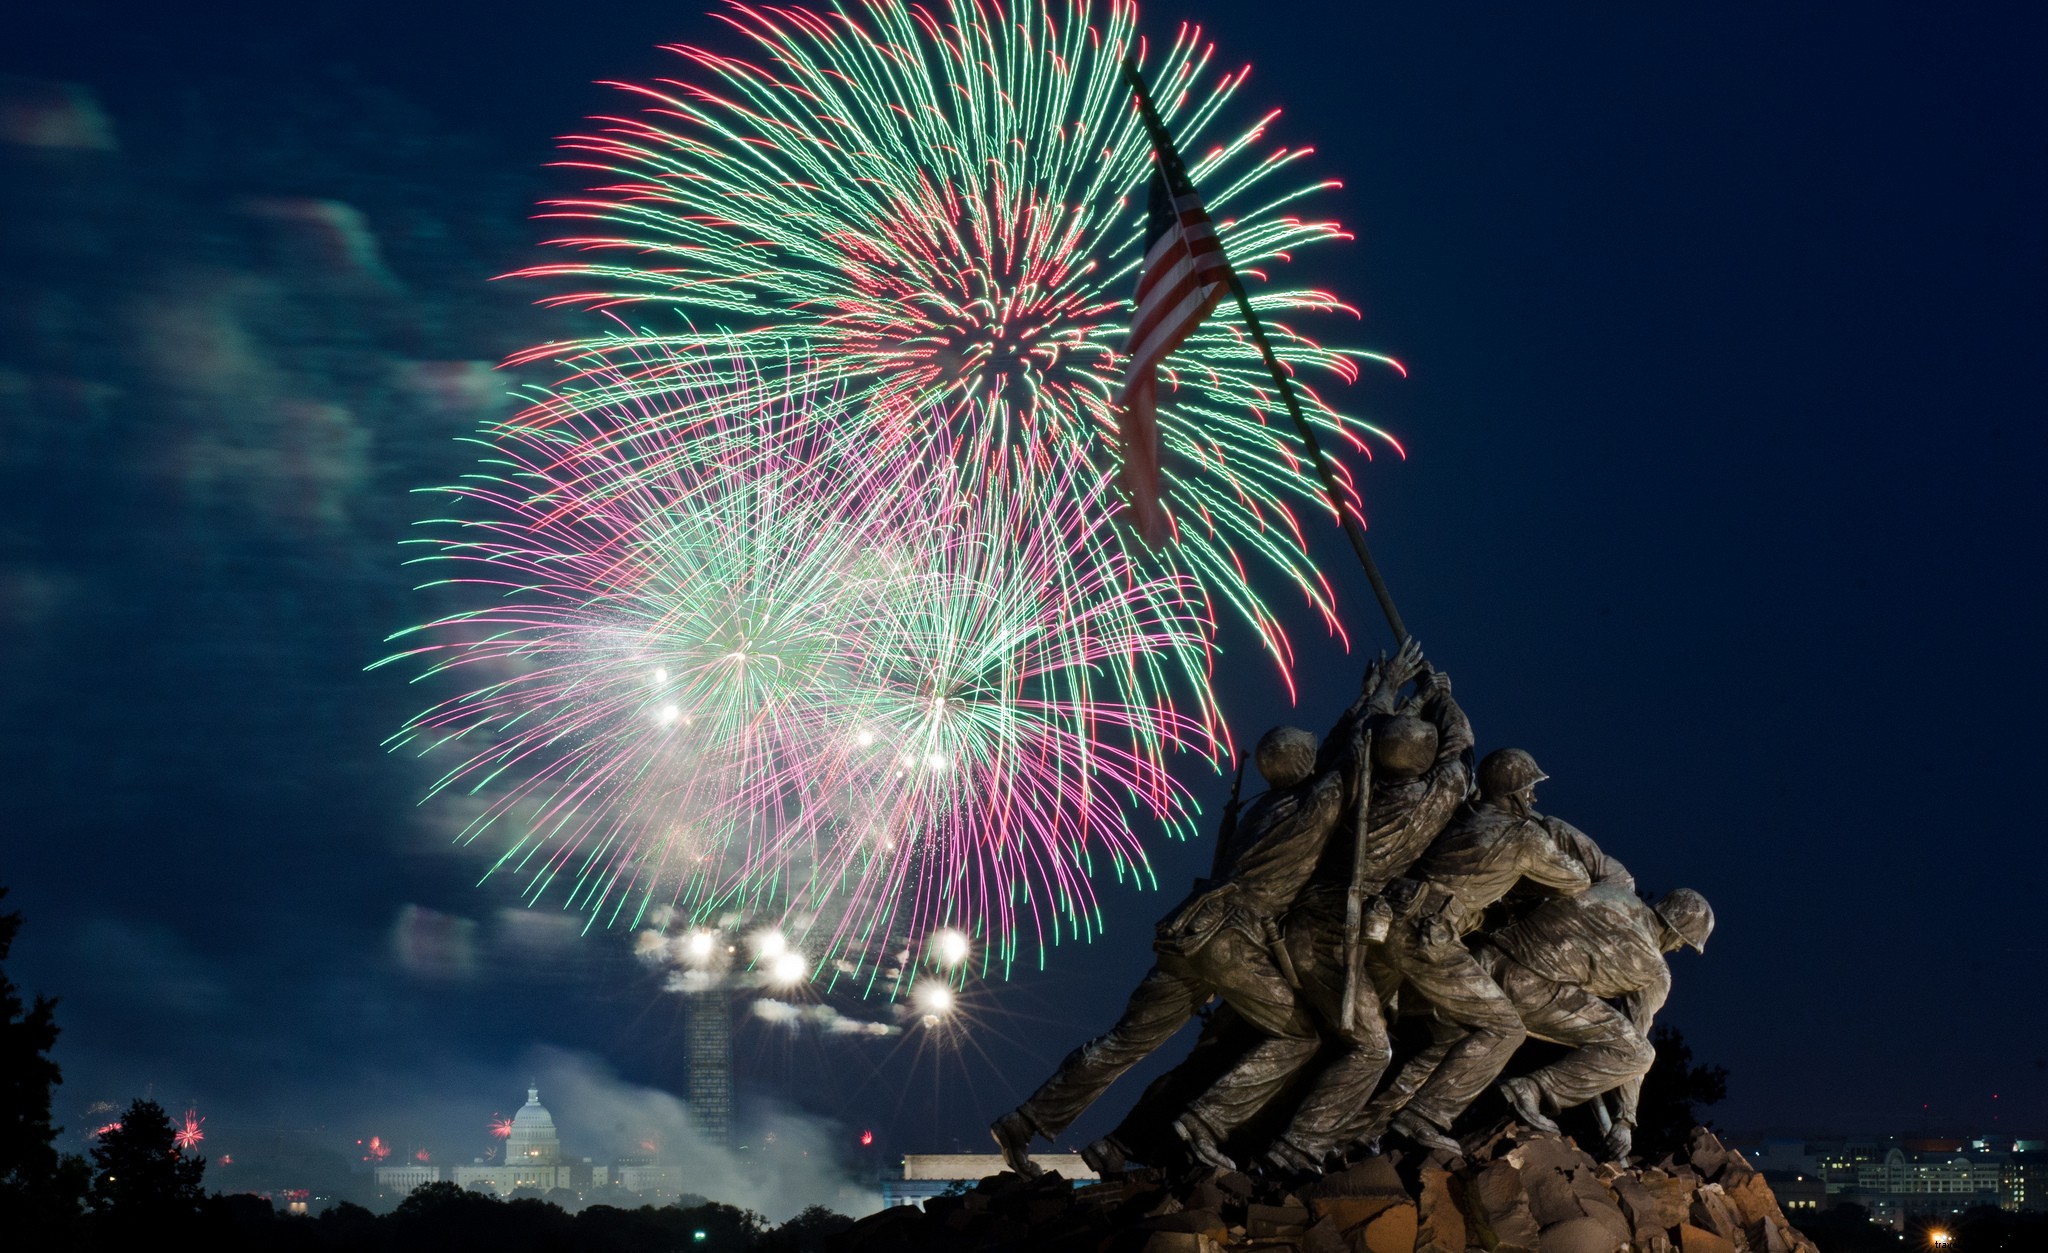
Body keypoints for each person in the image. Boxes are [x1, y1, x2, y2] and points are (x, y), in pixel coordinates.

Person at [988, 654, 1406, 1175]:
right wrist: (1383, 691)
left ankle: (1024, 1121)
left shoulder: (1259, 808)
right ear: (1304, 766)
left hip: (1187, 931)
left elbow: (1336, 754)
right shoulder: (1315, 806)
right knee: (1300, 1033)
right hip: (1231, 942)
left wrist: (1369, 697)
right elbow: (1352, 755)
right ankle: (1202, 1123)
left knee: (1124, 1042)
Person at [1260, 655, 1475, 1170]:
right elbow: (1461, 749)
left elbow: (1351, 745)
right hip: (1337, 933)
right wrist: (1441, 697)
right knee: (1371, 1049)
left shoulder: (1353, 789)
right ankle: (1297, 1145)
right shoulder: (1434, 800)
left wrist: (1390, 693)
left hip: (1297, 923)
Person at [1366, 746, 1600, 1153]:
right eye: (1530, 790)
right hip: (1427, 933)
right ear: (1512, 793)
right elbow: (1577, 880)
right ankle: (1423, 1118)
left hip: (1389, 921)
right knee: (1504, 1028)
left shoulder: (1464, 814)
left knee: (1430, 1033)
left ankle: (1360, 1129)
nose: (1534, 798)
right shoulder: (1524, 835)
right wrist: (1551, 839)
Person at [1483, 885, 1715, 1159]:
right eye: (1682, 943)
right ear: (1675, 931)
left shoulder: (1613, 894)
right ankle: (1531, 1090)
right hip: (1529, 987)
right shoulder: (1653, 969)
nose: (1677, 950)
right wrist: (1625, 1119)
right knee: (1638, 1053)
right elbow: (1635, 1038)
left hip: (1488, 956)